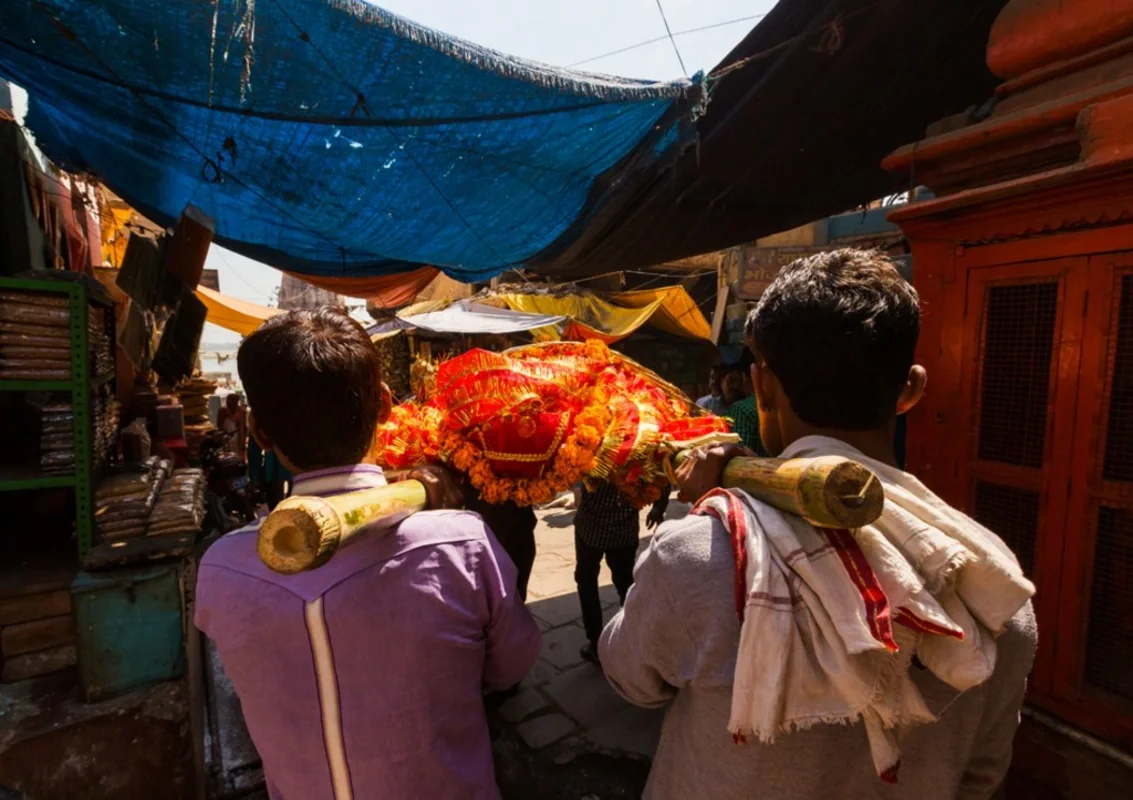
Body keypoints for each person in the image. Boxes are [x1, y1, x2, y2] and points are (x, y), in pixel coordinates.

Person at [600, 249, 1037, 799]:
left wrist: (703, 512)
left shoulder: (693, 560)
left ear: (761, 387)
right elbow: (980, 777)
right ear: (911, 389)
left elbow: (629, 679)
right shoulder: (998, 589)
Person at [194, 309, 542, 799]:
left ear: (259, 433)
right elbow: (512, 664)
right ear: (384, 405)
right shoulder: (462, 543)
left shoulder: (220, 570)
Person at [574, 481, 668, 666]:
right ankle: (634, 639)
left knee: (588, 583)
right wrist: (659, 507)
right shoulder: (638, 451)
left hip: (591, 529)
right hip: (622, 530)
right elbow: (662, 472)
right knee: (626, 586)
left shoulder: (592, 452)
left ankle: (596, 643)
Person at [217, 392, 247, 460]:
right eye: (228, 400)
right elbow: (219, 426)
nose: (229, 403)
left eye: (232, 401)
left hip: (236, 437)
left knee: (237, 457)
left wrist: (242, 443)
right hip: (226, 437)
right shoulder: (222, 411)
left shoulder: (241, 412)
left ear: (236, 402)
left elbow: (242, 429)